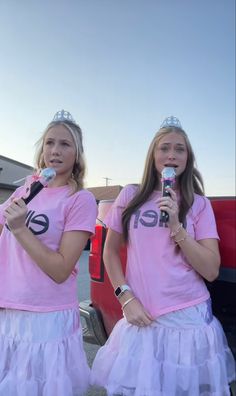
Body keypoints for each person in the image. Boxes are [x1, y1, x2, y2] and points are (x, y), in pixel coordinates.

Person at [91, 116, 235, 395]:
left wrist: (177, 228)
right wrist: (125, 297)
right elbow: (109, 251)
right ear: (153, 155)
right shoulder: (131, 196)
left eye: (179, 149)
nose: (171, 154)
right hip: (140, 316)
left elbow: (211, 270)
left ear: (187, 158)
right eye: (164, 148)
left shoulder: (198, 204)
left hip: (187, 322)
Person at [0, 110, 97, 396]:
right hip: (10, 309)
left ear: (77, 154)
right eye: (49, 143)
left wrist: (20, 230)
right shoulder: (26, 190)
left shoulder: (80, 199)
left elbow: (61, 269)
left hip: (47, 317)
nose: (55, 151)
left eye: (65, 144)